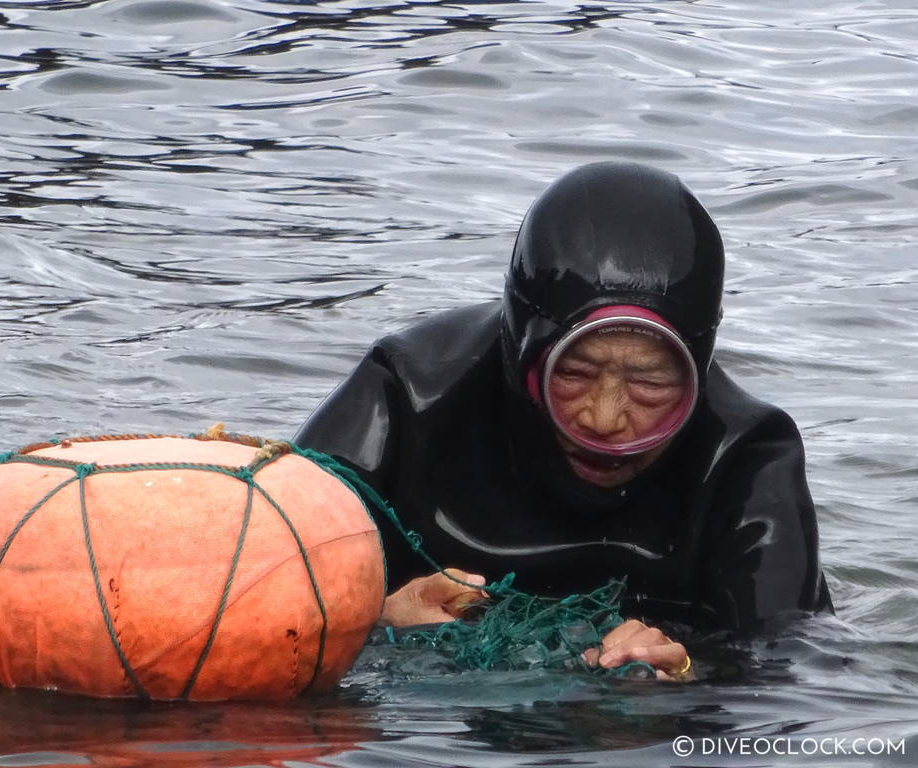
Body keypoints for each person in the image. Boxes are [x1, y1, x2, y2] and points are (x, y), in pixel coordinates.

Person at [295, 161, 833, 679]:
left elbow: (792, 673)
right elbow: (253, 587)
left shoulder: (745, 455)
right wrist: (365, 622)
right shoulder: (407, 395)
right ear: (525, 354)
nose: (603, 418)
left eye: (649, 384)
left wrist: (688, 672)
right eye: (574, 373)